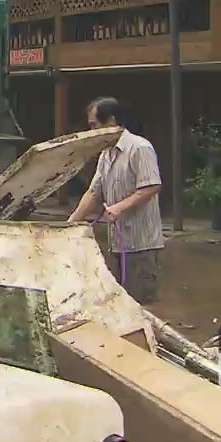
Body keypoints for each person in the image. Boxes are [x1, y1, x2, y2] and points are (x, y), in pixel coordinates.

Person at [67, 96, 164, 303]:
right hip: (118, 245)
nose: (92, 131)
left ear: (111, 121)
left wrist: (119, 208)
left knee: (142, 307)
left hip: (141, 245)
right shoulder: (106, 154)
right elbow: (94, 192)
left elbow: (152, 185)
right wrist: (70, 224)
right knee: (121, 304)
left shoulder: (139, 148)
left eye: (94, 125)